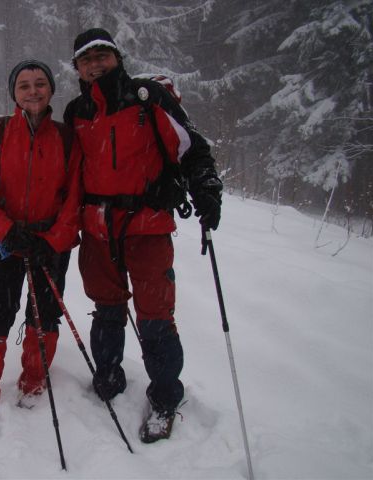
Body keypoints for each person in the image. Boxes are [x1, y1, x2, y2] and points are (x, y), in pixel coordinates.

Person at [63, 28, 223, 443]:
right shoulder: (76, 111)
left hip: (147, 226)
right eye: (86, 59)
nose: (95, 64)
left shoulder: (147, 98)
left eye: (103, 55)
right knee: (107, 309)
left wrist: (206, 190)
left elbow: (192, 148)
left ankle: (166, 398)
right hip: (97, 229)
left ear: (117, 57)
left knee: (155, 318)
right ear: (77, 67)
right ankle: (110, 373)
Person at [0, 59, 82, 427]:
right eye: (24, 85)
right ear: (14, 93)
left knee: (44, 316)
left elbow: (75, 196)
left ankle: (33, 381)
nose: (33, 90)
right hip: (4, 243)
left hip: (48, 244)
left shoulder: (65, 137)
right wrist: (4, 229)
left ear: (50, 89)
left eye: (40, 83)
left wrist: (54, 241)